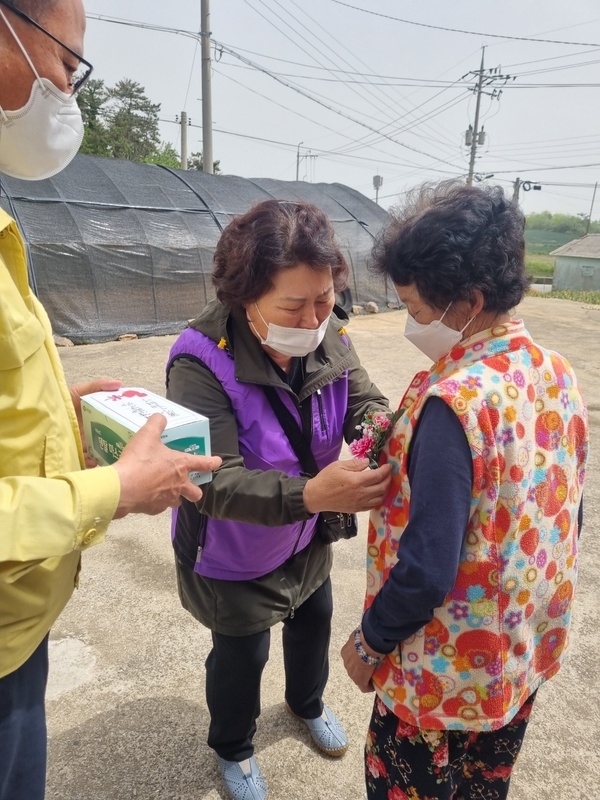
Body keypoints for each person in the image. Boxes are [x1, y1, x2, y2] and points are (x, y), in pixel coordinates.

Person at [0, 2, 221, 798]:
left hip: (17, 630)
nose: (69, 88)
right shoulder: (205, 349)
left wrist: (61, 407)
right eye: (68, 59)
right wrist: (117, 488)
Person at [341, 181, 589, 800]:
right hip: (514, 660)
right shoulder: (555, 371)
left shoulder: (456, 403)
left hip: (441, 678)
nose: (411, 323)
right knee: (484, 788)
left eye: (417, 310)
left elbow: (426, 569)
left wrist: (369, 645)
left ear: (470, 303)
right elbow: (566, 512)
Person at [166, 198, 393, 800]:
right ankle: (234, 747)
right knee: (242, 655)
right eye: (293, 305)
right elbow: (212, 480)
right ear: (246, 296)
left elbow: (365, 400)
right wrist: (315, 492)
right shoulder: (199, 360)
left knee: (315, 621)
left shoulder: (332, 333)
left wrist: (382, 430)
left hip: (305, 532)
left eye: (323, 298)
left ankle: (307, 702)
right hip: (234, 547)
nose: (315, 316)